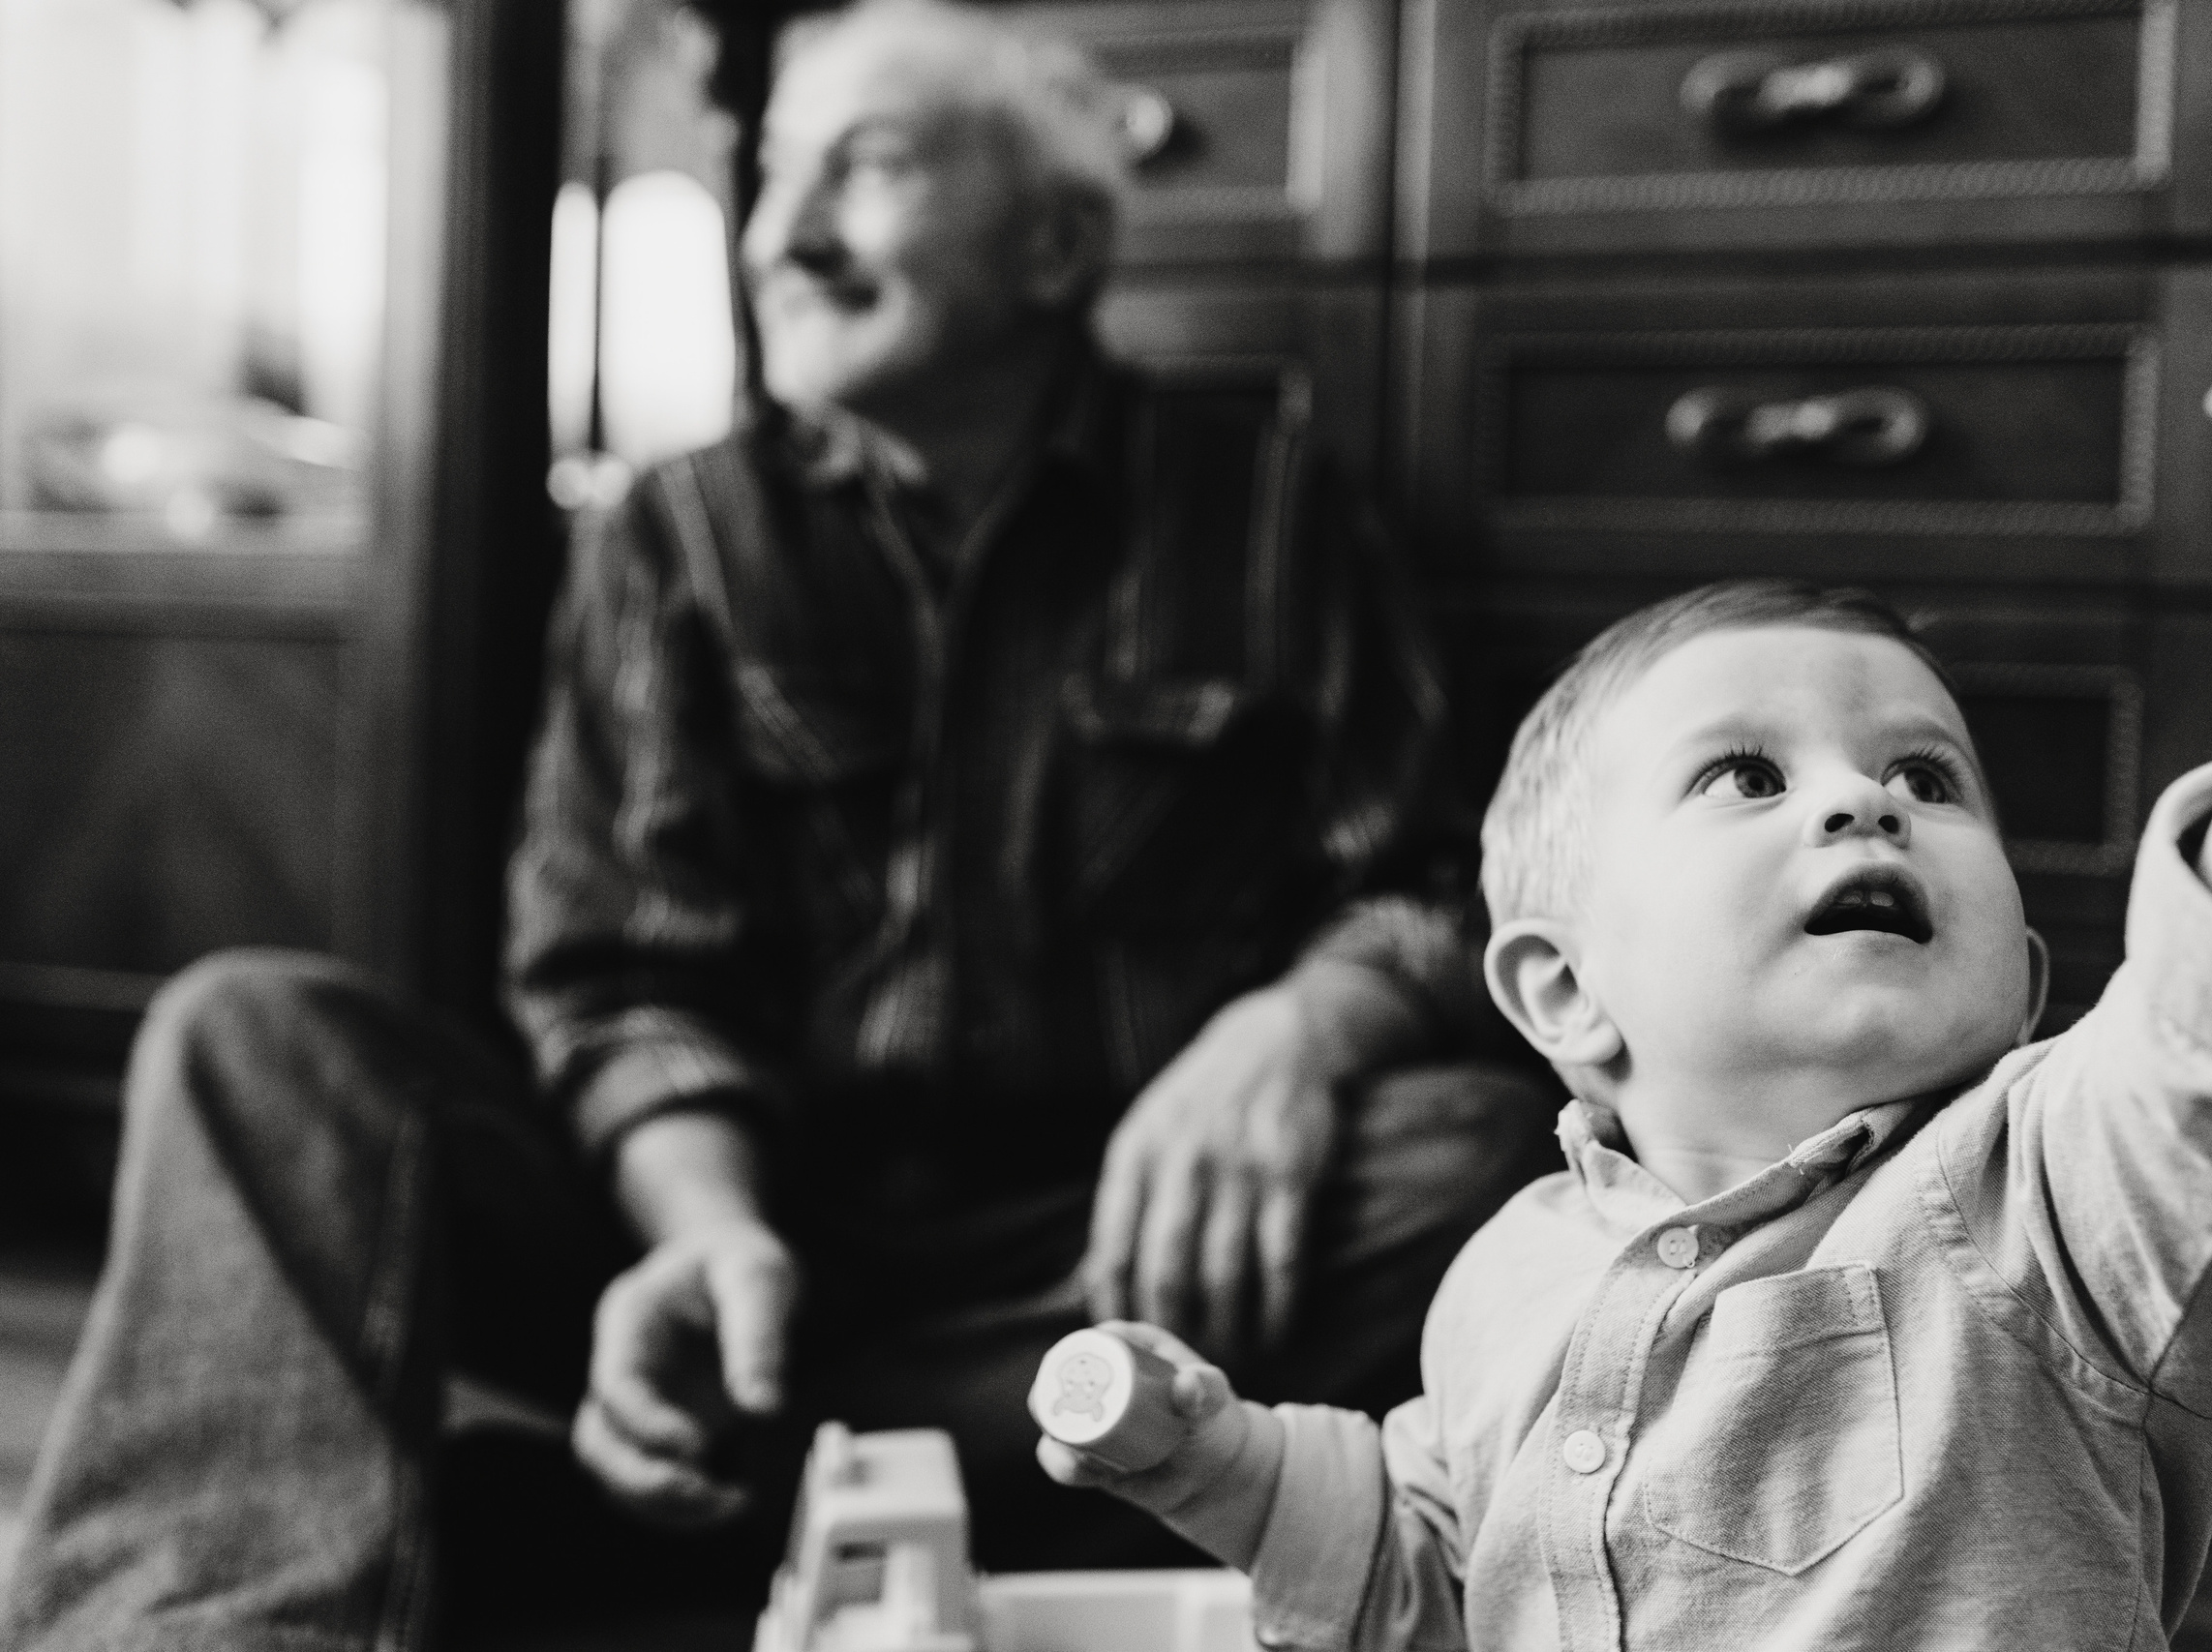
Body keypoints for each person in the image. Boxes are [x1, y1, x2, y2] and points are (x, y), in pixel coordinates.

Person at [0, 2, 1553, 1643]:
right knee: (250, 1041)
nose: (779, 235)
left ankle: (724, 1519)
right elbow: (615, 976)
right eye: (773, 176)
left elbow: (1436, 884)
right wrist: (709, 1238)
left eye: (861, 170)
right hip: (740, 1252)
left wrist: (1292, 1033)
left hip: (1113, 1273)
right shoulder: (676, 534)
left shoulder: (1268, 508)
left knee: (1477, 1147)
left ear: (1054, 244)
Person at [1038, 439, 2212, 1649]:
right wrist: (1224, 1466)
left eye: (1928, 776)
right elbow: (1442, 1568)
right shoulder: (1507, 1277)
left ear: (2028, 989)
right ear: (1564, 991)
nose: (1866, 801)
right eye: (1747, 774)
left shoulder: (2046, 1201)